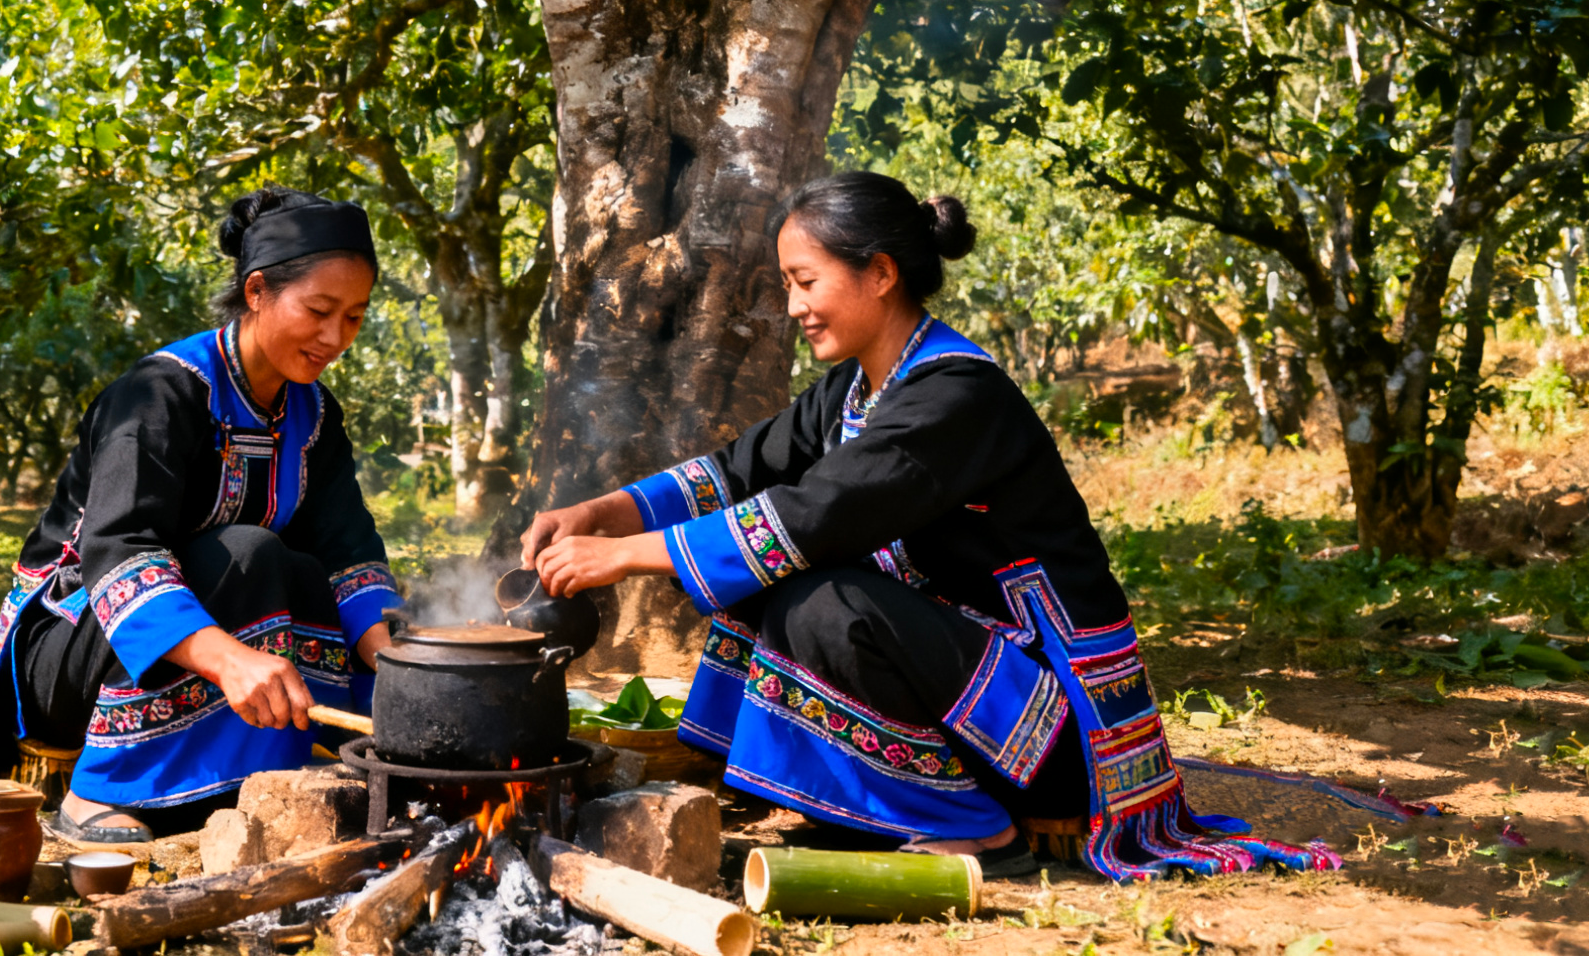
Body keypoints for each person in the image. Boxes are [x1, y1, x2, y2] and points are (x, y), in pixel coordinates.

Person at [522, 171, 1337, 881]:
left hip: (1067, 743)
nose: (794, 305)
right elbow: (734, 472)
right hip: (991, 695)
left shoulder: (955, 396)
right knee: (773, 578)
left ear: (879, 272)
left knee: (813, 596)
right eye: (788, 284)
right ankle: (830, 783)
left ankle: (970, 826)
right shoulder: (853, 391)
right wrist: (599, 511)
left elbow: (811, 515)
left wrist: (625, 555)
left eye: (806, 281)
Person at [0, 188, 404, 845]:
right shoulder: (159, 394)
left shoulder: (316, 416)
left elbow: (348, 551)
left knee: (307, 574)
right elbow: (120, 548)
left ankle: (259, 770)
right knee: (250, 554)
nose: (336, 337)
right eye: (319, 310)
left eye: (355, 317)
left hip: (217, 642)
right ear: (256, 291)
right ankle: (100, 788)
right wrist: (229, 660)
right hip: (77, 650)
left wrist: (403, 674)